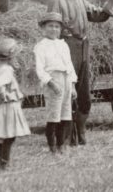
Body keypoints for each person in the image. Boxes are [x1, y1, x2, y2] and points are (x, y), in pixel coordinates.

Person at [46, 0, 113, 145]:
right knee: (67, 92)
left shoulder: (81, 0)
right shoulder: (56, 0)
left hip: (83, 48)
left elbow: (100, 16)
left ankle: (81, 130)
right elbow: (52, 30)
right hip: (65, 49)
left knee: (84, 94)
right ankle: (67, 136)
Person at [34, 12, 77, 154]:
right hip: (53, 80)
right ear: (43, 28)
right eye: (50, 26)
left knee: (65, 113)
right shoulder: (40, 46)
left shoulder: (63, 45)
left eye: (57, 27)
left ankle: (62, 144)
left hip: (65, 80)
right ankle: (52, 146)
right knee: (54, 115)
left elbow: (69, 65)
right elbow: (40, 69)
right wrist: (51, 83)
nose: (54, 29)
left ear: (61, 29)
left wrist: (72, 85)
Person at [0, 38, 31, 169]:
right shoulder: (6, 69)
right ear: (10, 56)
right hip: (7, 106)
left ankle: (1, 161)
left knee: (2, 135)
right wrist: (4, 96)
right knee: (9, 136)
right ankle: (5, 163)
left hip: (1, 106)